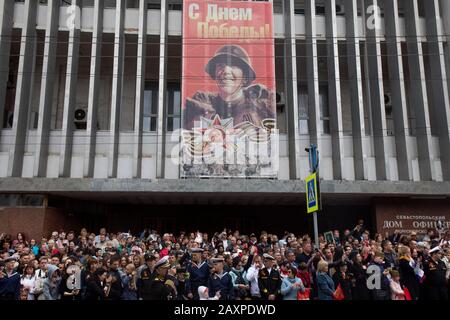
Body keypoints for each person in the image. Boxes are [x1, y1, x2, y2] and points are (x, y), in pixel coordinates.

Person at [184, 44, 275, 131]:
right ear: (215, 74)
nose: (226, 71)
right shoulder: (201, 104)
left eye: (234, 65)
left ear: (244, 77)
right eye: (220, 66)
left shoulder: (261, 106)